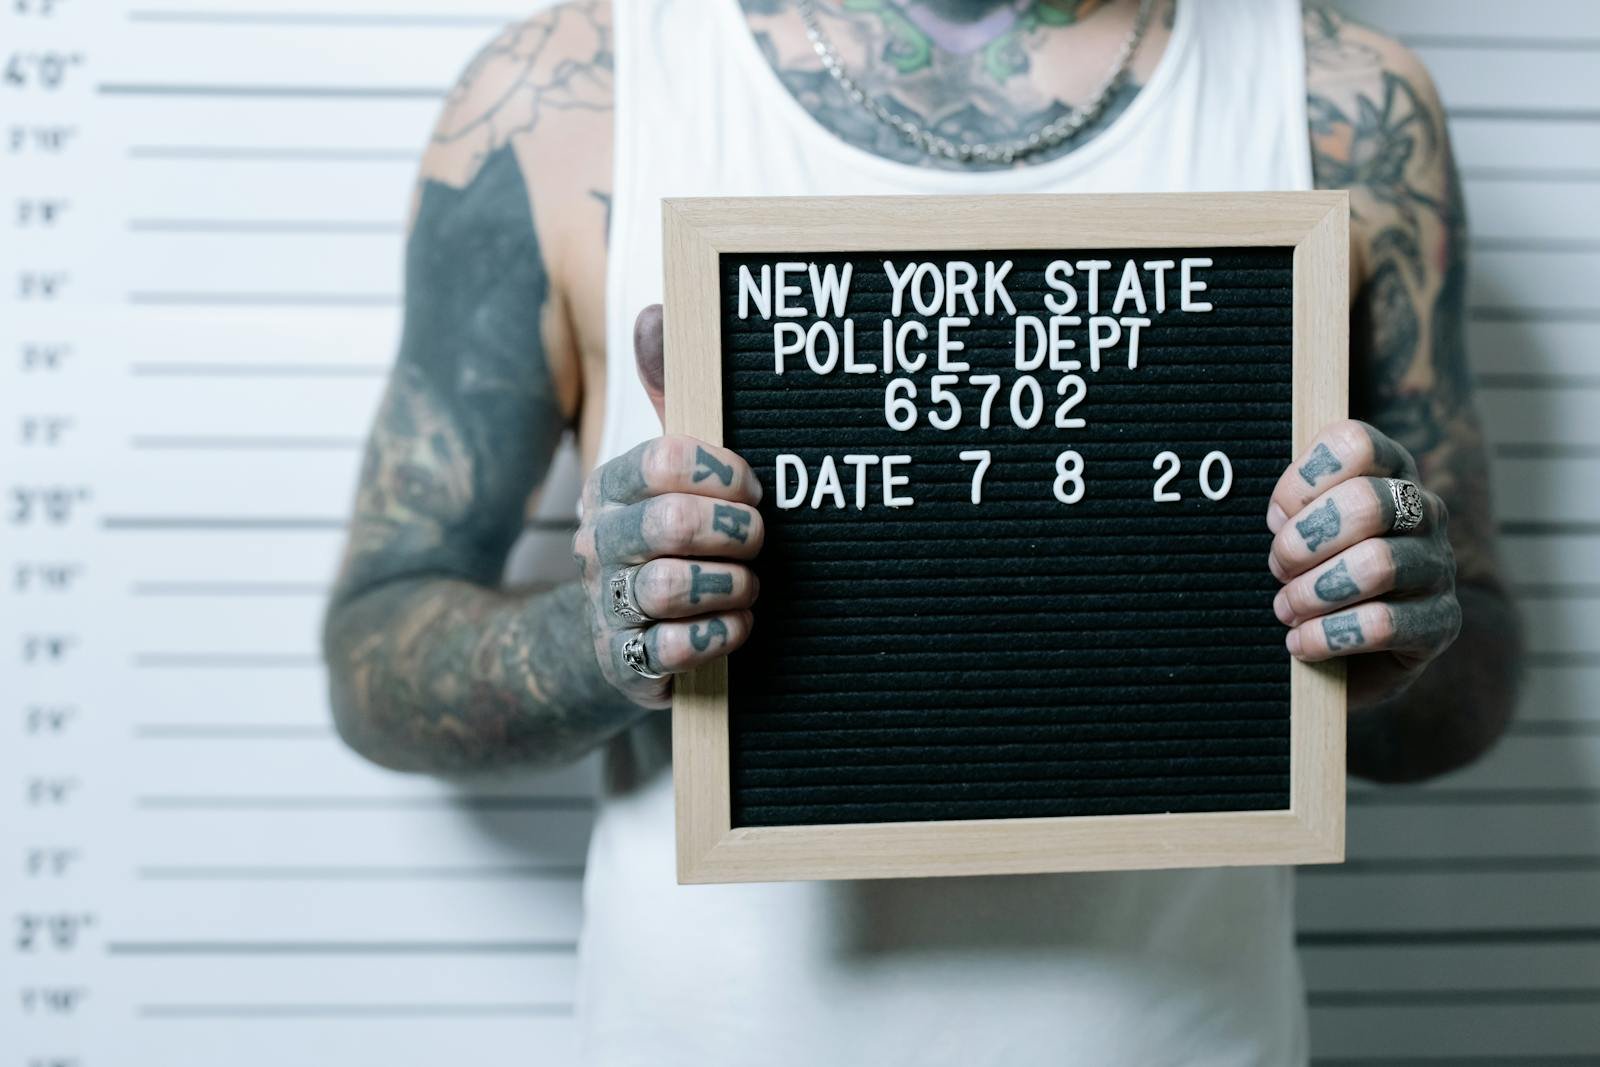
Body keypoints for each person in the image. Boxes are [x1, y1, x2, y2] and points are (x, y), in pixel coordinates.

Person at [321, 1, 1524, 1062]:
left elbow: (1470, 661)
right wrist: (601, 638)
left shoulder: (1341, 107)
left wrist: (1387, 626)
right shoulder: (567, 100)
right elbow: (379, 638)